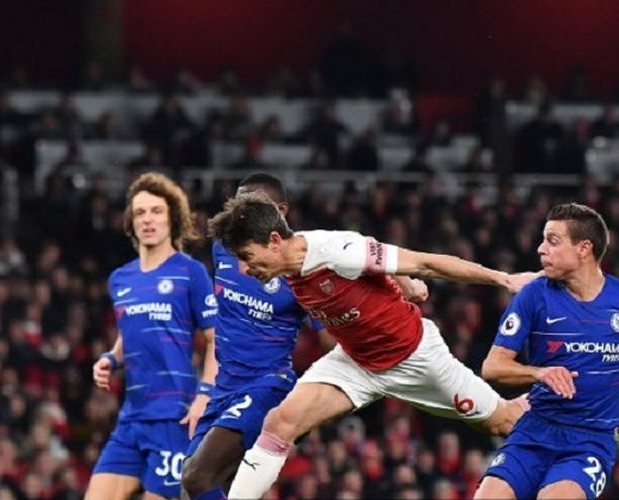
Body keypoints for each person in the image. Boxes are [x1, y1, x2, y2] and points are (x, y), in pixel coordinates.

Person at [206, 193, 534, 499]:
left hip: (415, 358)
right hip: (356, 362)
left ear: (275, 241)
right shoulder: (291, 264)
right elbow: (380, 251)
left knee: (502, 422)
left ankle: (551, 412)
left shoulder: (336, 252)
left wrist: (501, 278)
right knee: (280, 422)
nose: (244, 269)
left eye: (247, 257)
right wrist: (405, 285)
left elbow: (424, 263)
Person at [181, 173, 330, 500]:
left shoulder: (301, 269)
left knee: (197, 477)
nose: (241, 217)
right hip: (224, 389)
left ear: (281, 211)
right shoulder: (224, 246)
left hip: (266, 387)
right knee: (206, 487)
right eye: (237, 207)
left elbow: (331, 342)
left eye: (251, 208)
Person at [86, 172, 218, 500]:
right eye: (140, 212)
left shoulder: (191, 272)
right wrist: (110, 358)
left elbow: (218, 340)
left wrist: (205, 394)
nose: (148, 219)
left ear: (173, 217)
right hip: (132, 417)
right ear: (131, 222)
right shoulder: (121, 279)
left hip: (174, 414)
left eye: (156, 211)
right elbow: (131, 330)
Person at [475, 203, 617, 500]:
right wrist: (538, 372)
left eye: (552, 241)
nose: (541, 249)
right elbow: (492, 367)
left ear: (584, 249)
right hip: (535, 431)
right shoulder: (534, 295)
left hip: (590, 441)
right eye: (542, 240)